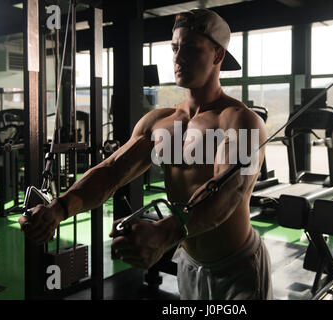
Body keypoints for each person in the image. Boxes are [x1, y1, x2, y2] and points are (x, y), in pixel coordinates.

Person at [19, 8, 273, 300]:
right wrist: (58, 209)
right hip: (189, 265)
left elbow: (230, 192)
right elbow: (111, 171)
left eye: (190, 48)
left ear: (218, 56)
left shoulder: (242, 121)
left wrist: (163, 233)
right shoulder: (158, 122)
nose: (178, 57)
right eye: (175, 47)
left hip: (237, 268)